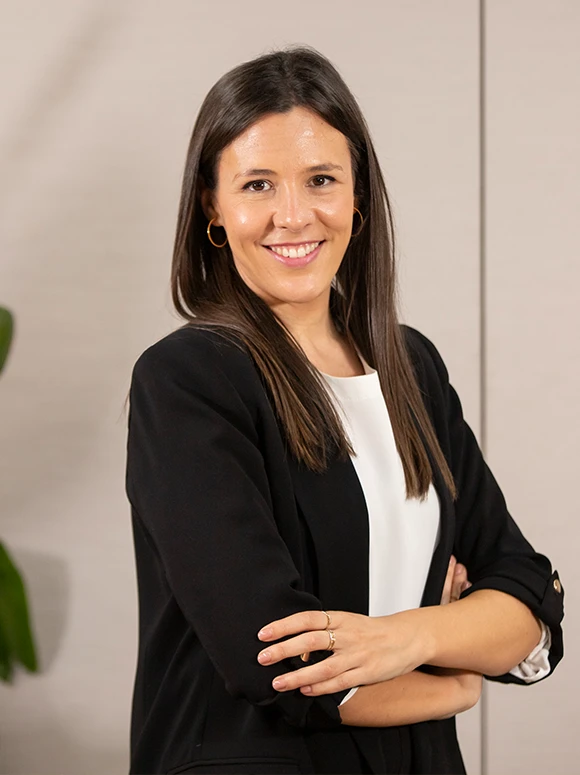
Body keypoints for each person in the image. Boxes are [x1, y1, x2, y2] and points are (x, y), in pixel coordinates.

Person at [124, 45, 564, 774]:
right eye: (257, 184)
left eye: (321, 179)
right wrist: (451, 678)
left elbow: (528, 602)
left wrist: (407, 638)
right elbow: (275, 658)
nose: (293, 215)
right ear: (213, 205)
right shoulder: (187, 380)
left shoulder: (410, 367)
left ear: (358, 196)